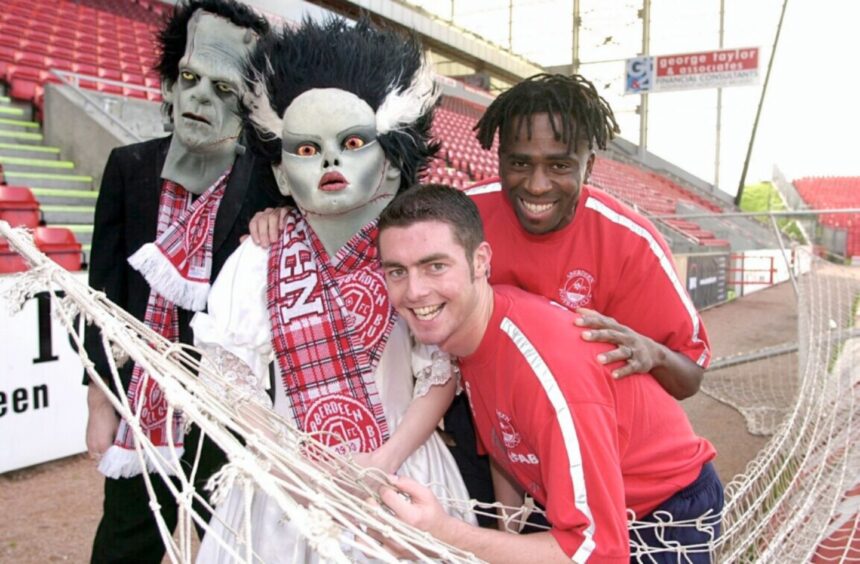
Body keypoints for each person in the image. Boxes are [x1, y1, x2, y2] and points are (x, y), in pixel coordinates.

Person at [249, 73, 712, 517]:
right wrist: (288, 215)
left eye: (560, 165)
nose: (536, 184)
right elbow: (375, 219)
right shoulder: (468, 212)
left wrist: (653, 354)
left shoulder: (630, 242)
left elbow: (689, 379)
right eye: (519, 163)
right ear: (498, 155)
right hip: (507, 452)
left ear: (590, 164)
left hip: (628, 480)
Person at [191, 18, 474, 562]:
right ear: (278, 175)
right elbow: (233, 377)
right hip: (284, 484)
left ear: (389, 160)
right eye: (305, 148)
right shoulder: (257, 257)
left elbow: (438, 372)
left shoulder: (412, 254)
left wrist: (385, 459)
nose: (328, 162)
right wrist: (286, 462)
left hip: (401, 469)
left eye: (350, 142)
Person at [377, 184, 723, 563]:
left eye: (435, 266)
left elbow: (597, 552)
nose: (414, 291)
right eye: (397, 271)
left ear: (480, 261)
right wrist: (506, 534)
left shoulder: (544, 370)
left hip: (664, 512)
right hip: (584, 508)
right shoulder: (472, 333)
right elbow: (507, 445)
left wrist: (445, 532)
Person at [82, 2, 279, 562]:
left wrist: (283, 221)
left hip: (229, 411)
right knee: (124, 544)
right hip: (143, 403)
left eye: (223, 89)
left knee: (231, 546)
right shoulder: (128, 167)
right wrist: (101, 399)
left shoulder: (271, 186)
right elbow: (103, 293)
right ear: (169, 83)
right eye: (190, 79)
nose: (200, 98)